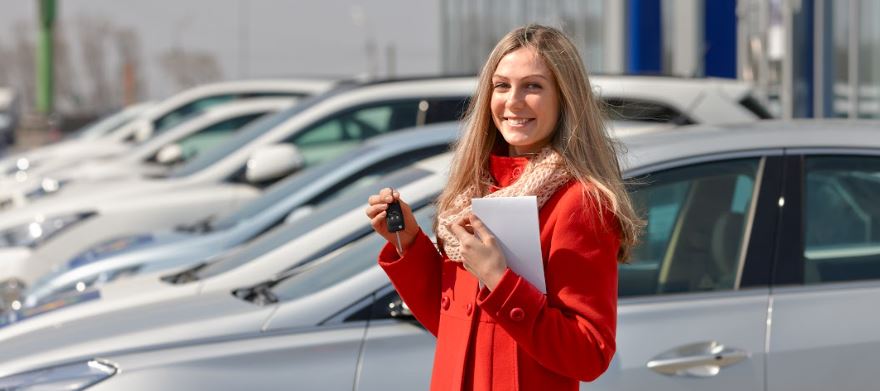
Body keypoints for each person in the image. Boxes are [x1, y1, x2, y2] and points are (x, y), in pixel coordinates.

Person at [365, 24, 641, 391]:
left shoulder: (579, 201)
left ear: (565, 97)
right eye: (502, 85)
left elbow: (590, 354)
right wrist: (410, 243)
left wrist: (500, 281)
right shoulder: (473, 191)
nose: (513, 101)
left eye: (533, 86)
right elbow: (453, 325)